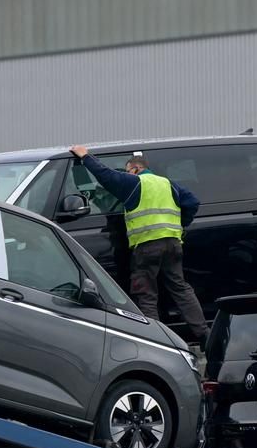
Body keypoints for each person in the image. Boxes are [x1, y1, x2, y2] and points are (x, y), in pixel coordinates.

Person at [68, 145, 208, 349]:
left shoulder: (134, 182)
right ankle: (204, 335)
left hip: (147, 246)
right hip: (173, 243)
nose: (125, 174)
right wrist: (179, 225)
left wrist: (85, 156)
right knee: (180, 288)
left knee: (146, 292)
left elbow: (104, 175)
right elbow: (193, 203)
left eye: (127, 171)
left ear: (134, 169)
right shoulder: (168, 184)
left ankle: (157, 342)